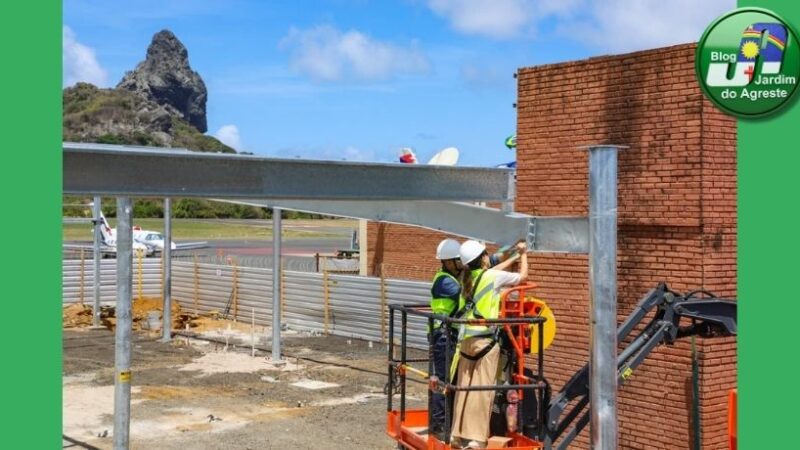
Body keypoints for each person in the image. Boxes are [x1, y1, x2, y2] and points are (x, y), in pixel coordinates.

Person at [450, 240, 528, 449]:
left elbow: (492, 272)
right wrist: (523, 255)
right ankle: (476, 439)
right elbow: (523, 277)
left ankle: (456, 436)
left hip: (467, 341)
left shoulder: (466, 277)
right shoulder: (491, 277)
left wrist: (512, 256)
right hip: (486, 341)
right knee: (482, 391)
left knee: (464, 389)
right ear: (483, 257)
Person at [429, 238, 464, 437]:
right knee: (442, 380)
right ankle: (439, 425)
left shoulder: (450, 277)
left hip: (448, 335)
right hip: (442, 336)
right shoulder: (445, 281)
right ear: (448, 262)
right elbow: (467, 292)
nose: (461, 265)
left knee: (449, 380)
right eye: (458, 261)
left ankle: (446, 421)